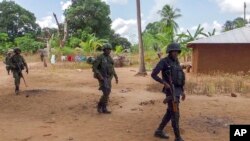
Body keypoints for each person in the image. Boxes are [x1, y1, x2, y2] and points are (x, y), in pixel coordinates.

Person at [151, 43, 186, 141]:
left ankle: (159, 130)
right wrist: (163, 82)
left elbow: (180, 77)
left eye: (177, 51)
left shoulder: (177, 62)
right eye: (173, 51)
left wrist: (182, 91)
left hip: (178, 91)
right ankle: (178, 137)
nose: (175, 53)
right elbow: (153, 74)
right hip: (170, 92)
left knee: (170, 112)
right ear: (169, 52)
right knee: (175, 113)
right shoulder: (164, 62)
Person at [92, 43, 118, 114]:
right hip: (102, 77)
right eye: (107, 49)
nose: (109, 51)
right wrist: (99, 76)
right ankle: (100, 106)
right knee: (106, 92)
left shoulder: (109, 58)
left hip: (109, 77)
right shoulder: (100, 57)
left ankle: (104, 107)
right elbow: (94, 67)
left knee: (108, 92)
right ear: (104, 50)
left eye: (110, 49)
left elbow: (112, 68)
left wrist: (116, 76)